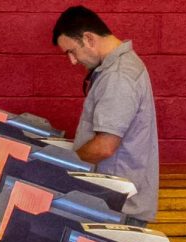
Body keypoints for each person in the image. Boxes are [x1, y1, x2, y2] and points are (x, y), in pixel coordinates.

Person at [52, 6, 158, 225]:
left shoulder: (118, 76)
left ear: (89, 38)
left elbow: (104, 146)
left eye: (71, 51)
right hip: (116, 202)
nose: (72, 61)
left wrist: (62, 169)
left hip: (117, 208)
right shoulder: (123, 65)